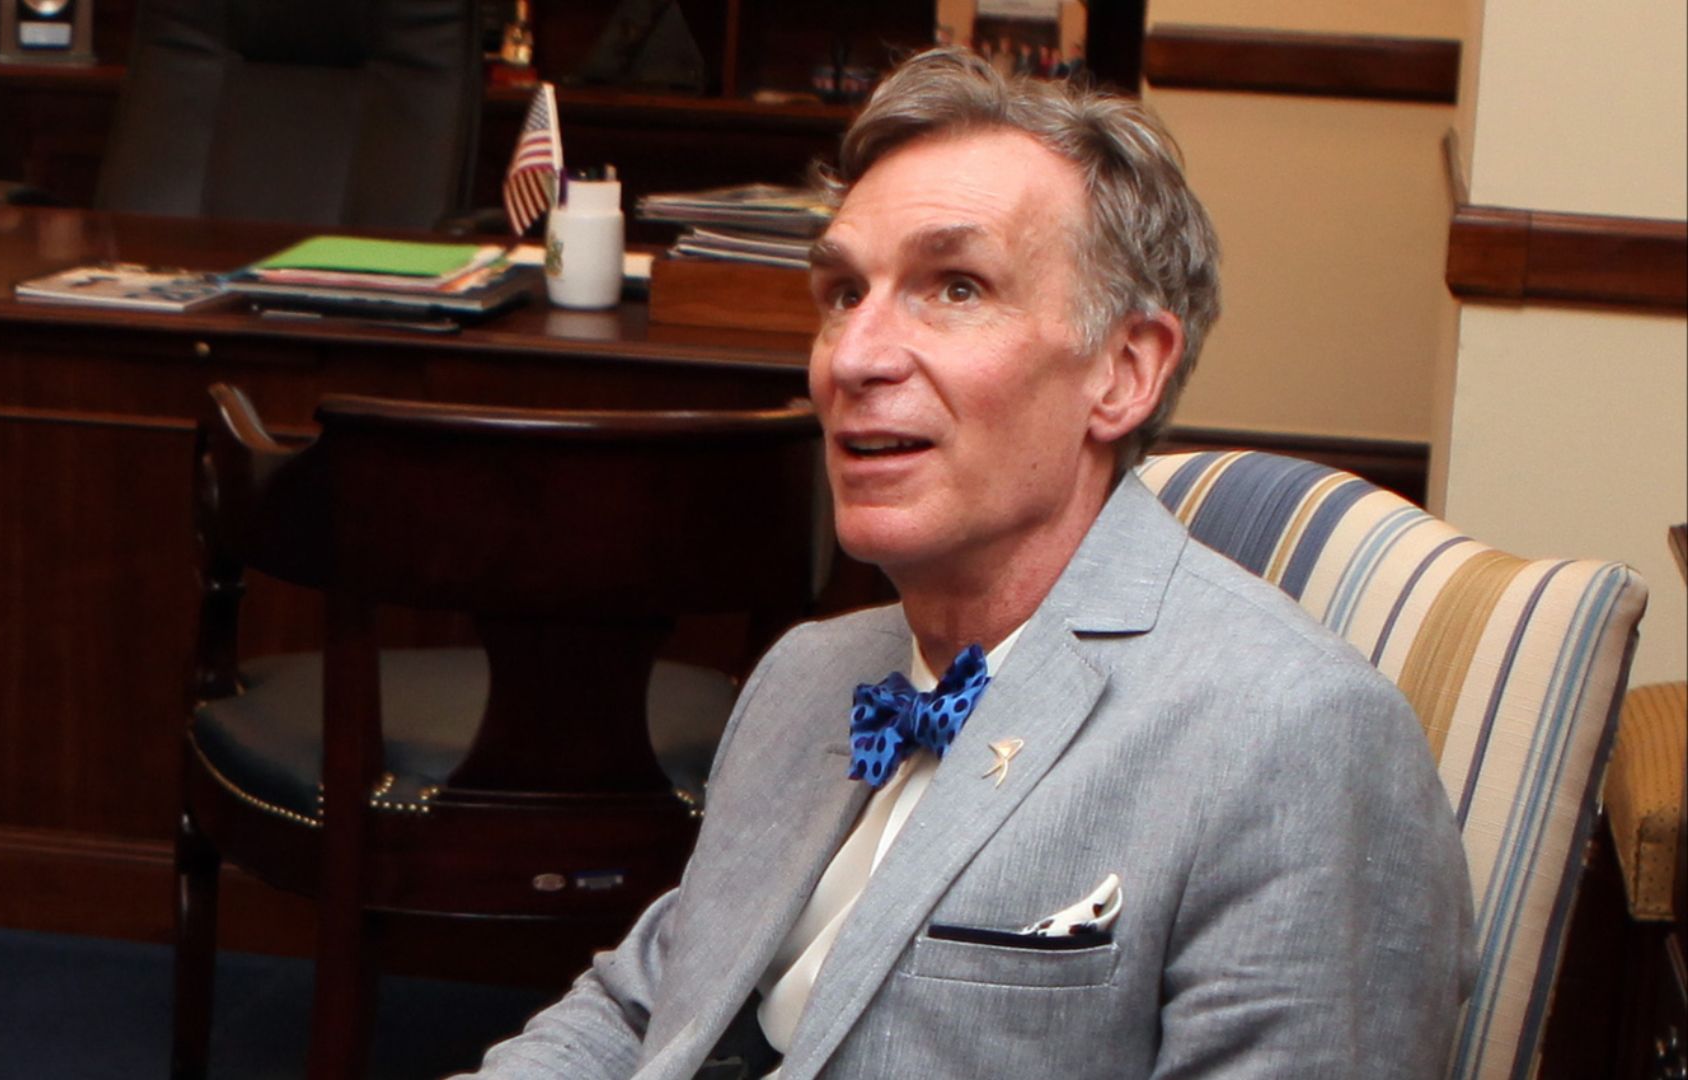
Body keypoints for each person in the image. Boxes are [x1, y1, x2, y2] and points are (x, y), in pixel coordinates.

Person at [458, 47, 1474, 1079]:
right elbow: (641, 1013)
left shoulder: (1292, 738)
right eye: (845, 292)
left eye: (954, 287)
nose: (855, 356)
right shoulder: (806, 678)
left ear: (1123, 372)